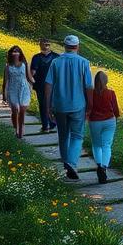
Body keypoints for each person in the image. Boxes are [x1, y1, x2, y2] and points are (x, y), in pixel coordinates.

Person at [45, 35, 93, 182]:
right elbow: (89, 87)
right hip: (78, 105)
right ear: (77, 46)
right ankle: (71, 163)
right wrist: (90, 105)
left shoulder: (55, 62)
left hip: (59, 105)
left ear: (64, 46)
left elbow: (48, 85)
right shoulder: (84, 62)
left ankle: (67, 165)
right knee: (77, 136)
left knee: (63, 135)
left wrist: (47, 106)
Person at [88, 71, 120, 184]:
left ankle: (98, 164)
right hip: (109, 121)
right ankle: (103, 167)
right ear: (106, 81)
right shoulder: (111, 93)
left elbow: (88, 107)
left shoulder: (91, 93)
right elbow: (116, 110)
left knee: (96, 145)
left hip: (95, 121)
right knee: (106, 145)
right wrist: (117, 117)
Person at [1, 45, 34, 139]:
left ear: (20, 53)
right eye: (13, 51)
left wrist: (35, 83)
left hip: (24, 89)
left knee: (22, 110)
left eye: (17, 51)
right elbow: (5, 81)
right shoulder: (8, 66)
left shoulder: (24, 64)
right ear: (11, 54)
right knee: (15, 109)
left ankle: (21, 128)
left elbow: (29, 77)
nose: (15, 53)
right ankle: (16, 128)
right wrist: (4, 95)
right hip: (12, 90)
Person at [30, 39, 59, 133]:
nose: (46, 46)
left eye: (48, 44)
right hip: (41, 86)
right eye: (44, 44)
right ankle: (46, 125)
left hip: (53, 86)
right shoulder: (37, 57)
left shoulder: (56, 57)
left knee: (51, 105)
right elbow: (32, 72)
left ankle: (51, 124)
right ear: (40, 45)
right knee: (44, 105)